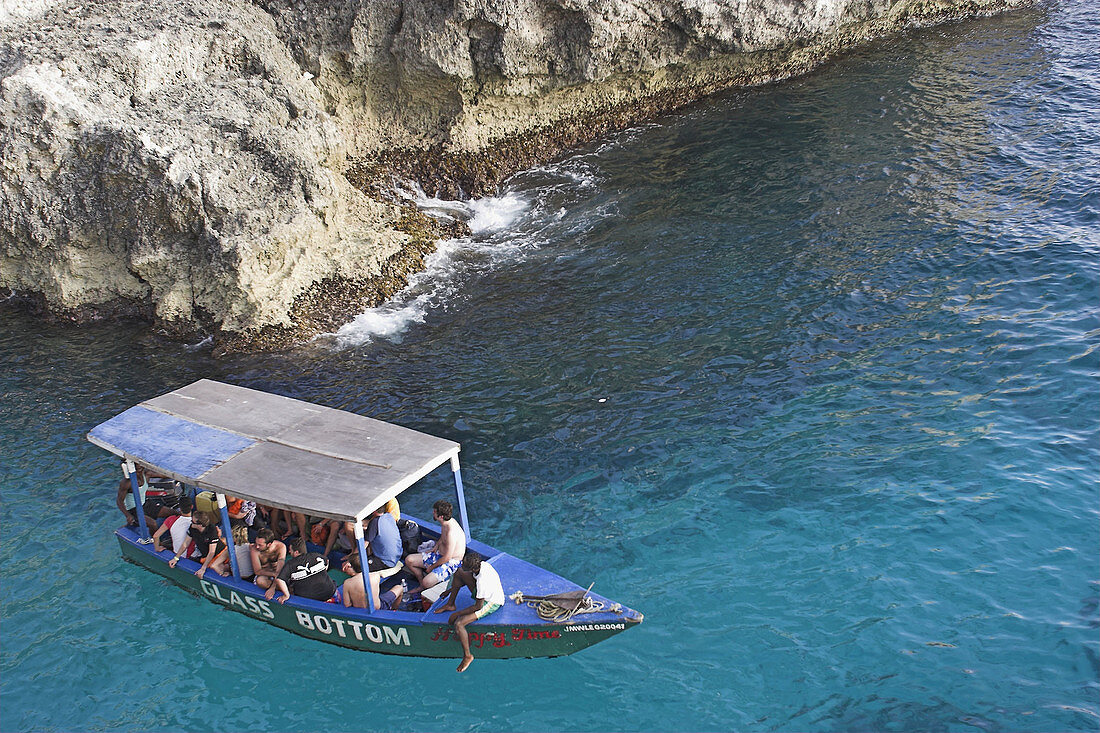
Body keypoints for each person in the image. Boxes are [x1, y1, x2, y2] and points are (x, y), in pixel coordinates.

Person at [436, 551, 505, 672]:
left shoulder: (483, 581)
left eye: (465, 565)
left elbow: (478, 606)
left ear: (472, 568)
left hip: (491, 601)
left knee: (459, 624)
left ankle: (468, 656)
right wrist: (450, 591)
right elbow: (466, 576)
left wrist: (457, 614)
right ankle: (450, 604)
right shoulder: (480, 565)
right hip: (482, 593)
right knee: (459, 573)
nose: (463, 565)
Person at [403, 500, 465, 593]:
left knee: (427, 582)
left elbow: (447, 557)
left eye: (435, 512)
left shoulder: (451, 533)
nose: (433, 513)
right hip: (439, 554)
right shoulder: (445, 523)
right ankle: (421, 585)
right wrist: (436, 547)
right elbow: (442, 538)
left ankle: (426, 583)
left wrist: (431, 568)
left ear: (441, 517)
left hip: (451, 562)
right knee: (409, 560)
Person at [267, 537, 335, 603]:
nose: (289, 551)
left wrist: (286, 595)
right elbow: (327, 561)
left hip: (307, 599)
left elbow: (280, 580)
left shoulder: (290, 564)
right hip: (330, 592)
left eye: (290, 550)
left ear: (296, 552)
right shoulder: (316, 555)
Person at [116, 465, 176, 532]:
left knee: (173, 512)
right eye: (135, 464)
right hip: (134, 509)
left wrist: (176, 474)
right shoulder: (127, 482)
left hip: (146, 503)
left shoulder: (146, 474)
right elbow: (119, 501)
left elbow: (162, 475)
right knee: (153, 524)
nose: (138, 466)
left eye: (139, 464)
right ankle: (156, 541)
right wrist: (128, 515)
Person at [167, 511, 227, 579]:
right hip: (205, 557)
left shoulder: (211, 530)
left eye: (192, 521)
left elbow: (211, 552)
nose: (191, 522)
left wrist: (203, 568)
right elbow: (185, 544)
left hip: (219, 554)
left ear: (200, 525)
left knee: (219, 568)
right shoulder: (192, 528)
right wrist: (176, 558)